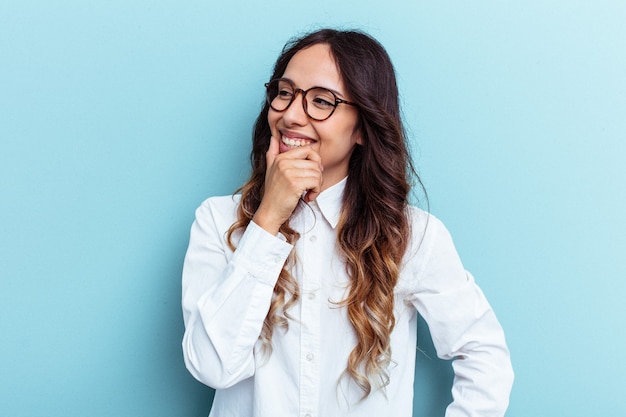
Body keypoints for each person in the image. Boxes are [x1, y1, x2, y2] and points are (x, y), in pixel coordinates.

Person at [181, 28, 513, 417]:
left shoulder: (412, 236)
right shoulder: (218, 220)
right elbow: (211, 366)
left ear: (362, 127)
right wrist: (268, 219)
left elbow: (484, 352)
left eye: (321, 101)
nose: (290, 115)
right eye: (284, 93)